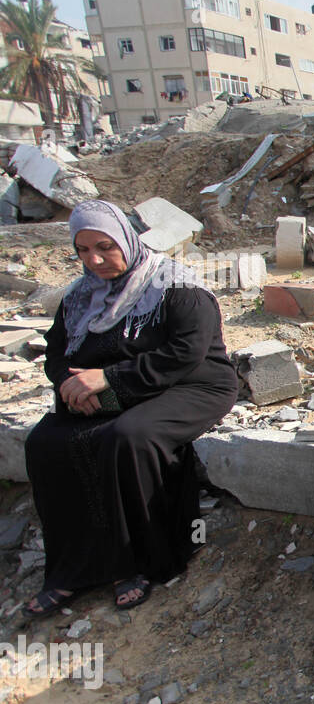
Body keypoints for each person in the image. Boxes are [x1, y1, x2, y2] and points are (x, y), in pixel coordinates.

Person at [23, 199, 237, 619]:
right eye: (83, 251)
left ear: (126, 238)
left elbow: (186, 352)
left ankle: (139, 563)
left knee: (128, 438)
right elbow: (56, 350)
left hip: (191, 383)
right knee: (47, 442)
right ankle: (72, 569)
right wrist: (70, 382)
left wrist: (107, 381)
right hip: (109, 386)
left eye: (105, 246)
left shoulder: (175, 286)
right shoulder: (82, 294)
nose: (96, 259)